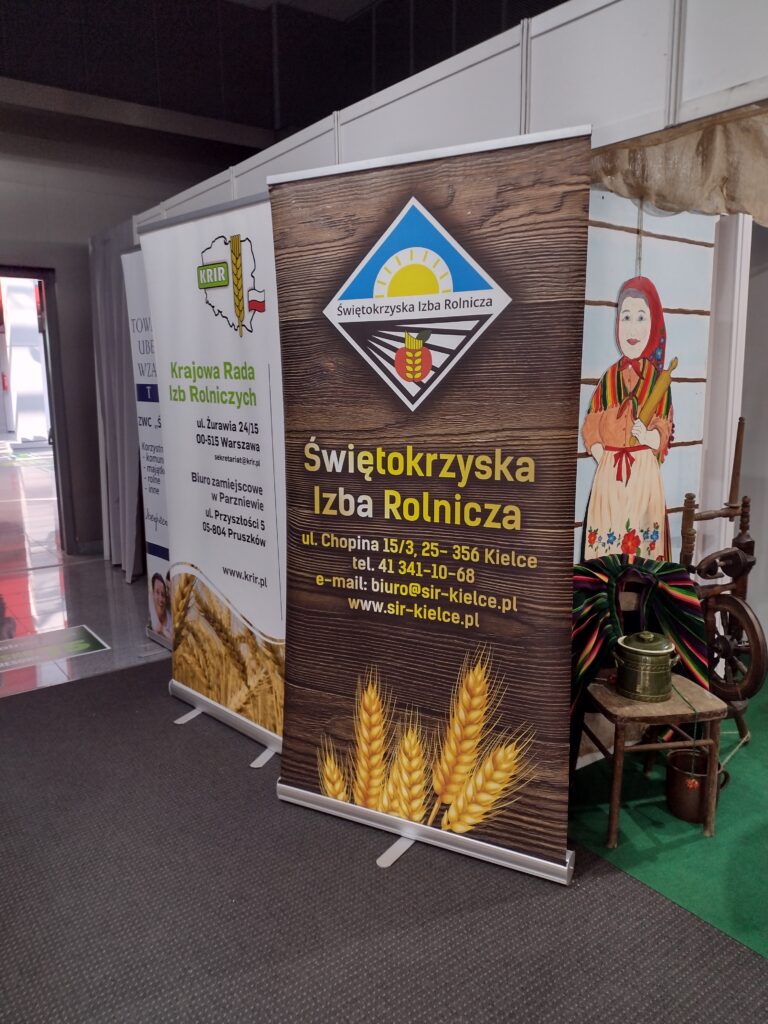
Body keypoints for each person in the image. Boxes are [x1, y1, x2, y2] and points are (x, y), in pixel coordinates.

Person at [582, 276, 673, 561]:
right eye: (626, 317)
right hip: (609, 477)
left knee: (641, 548)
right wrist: (603, 455)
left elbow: (664, 426)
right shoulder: (608, 378)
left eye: (641, 318)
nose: (632, 329)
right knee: (607, 548)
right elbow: (591, 424)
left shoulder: (658, 382)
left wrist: (648, 437)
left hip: (643, 476)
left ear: (653, 325)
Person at [150, 572, 172, 640]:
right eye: (157, 592)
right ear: (153, 593)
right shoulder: (151, 600)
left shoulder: (170, 618)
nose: (160, 599)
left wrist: (162, 629)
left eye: (163, 594)